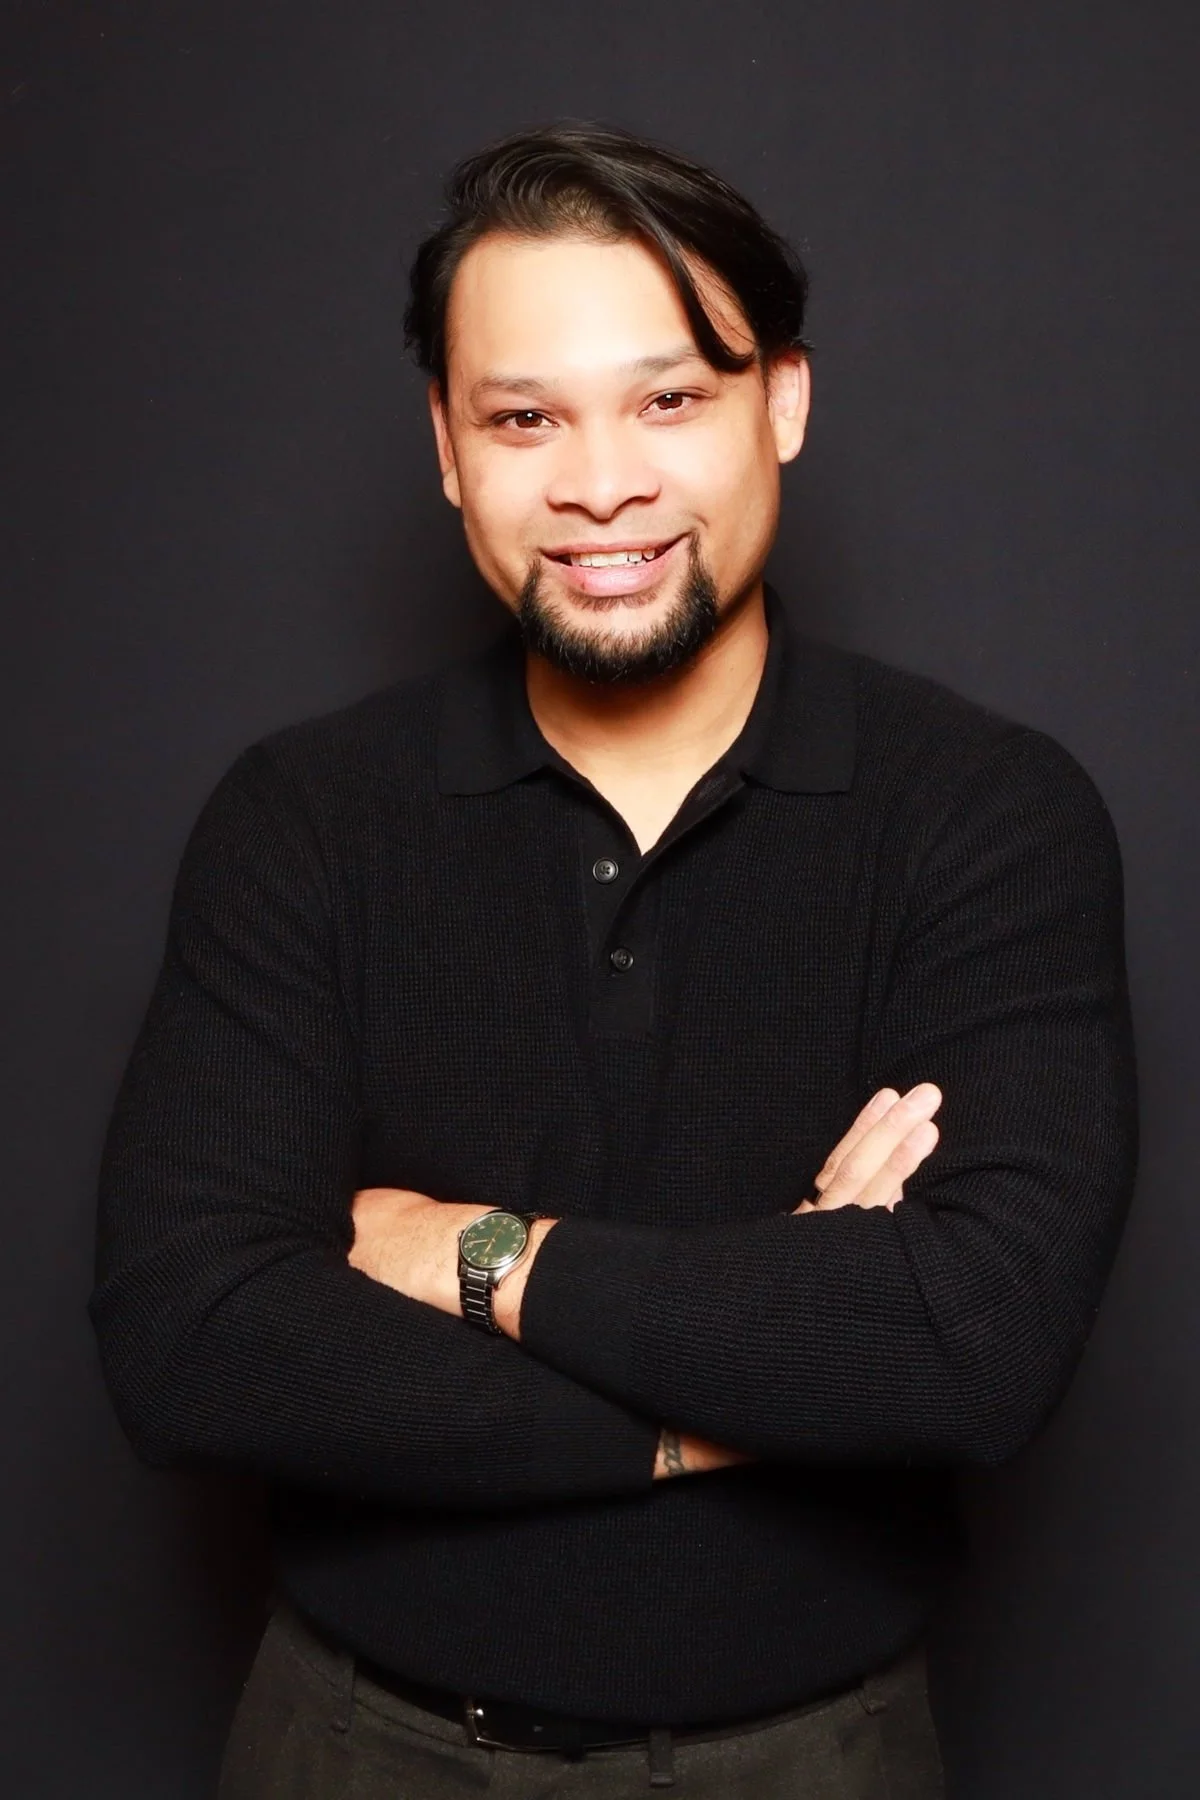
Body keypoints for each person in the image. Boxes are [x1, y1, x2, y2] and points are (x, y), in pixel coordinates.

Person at [89, 121, 1138, 1799]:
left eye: (670, 400)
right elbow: (191, 1346)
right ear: (447, 445)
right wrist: (760, 1374)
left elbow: (976, 1346)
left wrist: (482, 1259)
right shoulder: (305, 818)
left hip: (818, 1758)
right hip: (357, 1749)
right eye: (525, 418)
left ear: (781, 402)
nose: (600, 484)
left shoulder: (986, 816)